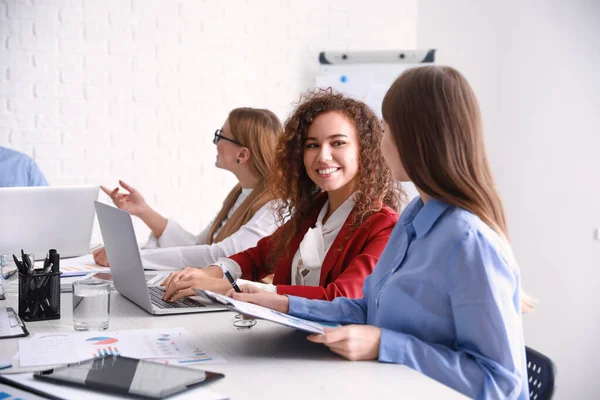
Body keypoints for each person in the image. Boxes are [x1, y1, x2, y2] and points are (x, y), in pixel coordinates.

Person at [226, 66, 532, 399]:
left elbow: (501, 384)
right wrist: (283, 304)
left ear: (417, 138)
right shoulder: (414, 219)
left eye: (386, 130)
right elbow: (367, 308)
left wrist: (387, 345)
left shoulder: (469, 242)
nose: (380, 143)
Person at [161, 90, 402, 301]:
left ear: (366, 150)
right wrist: (209, 273)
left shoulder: (383, 226)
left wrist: (231, 288)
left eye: (338, 143)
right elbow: (256, 257)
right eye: (312, 145)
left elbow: (339, 296)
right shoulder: (315, 211)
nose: (323, 156)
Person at [93, 108, 285, 270]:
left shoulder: (276, 205)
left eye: (220, 136)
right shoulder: (240, 194)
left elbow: (223, 254)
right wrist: (144, 211)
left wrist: (129, 258)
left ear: (242, 155)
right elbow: (199, 246)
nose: (216, 143)